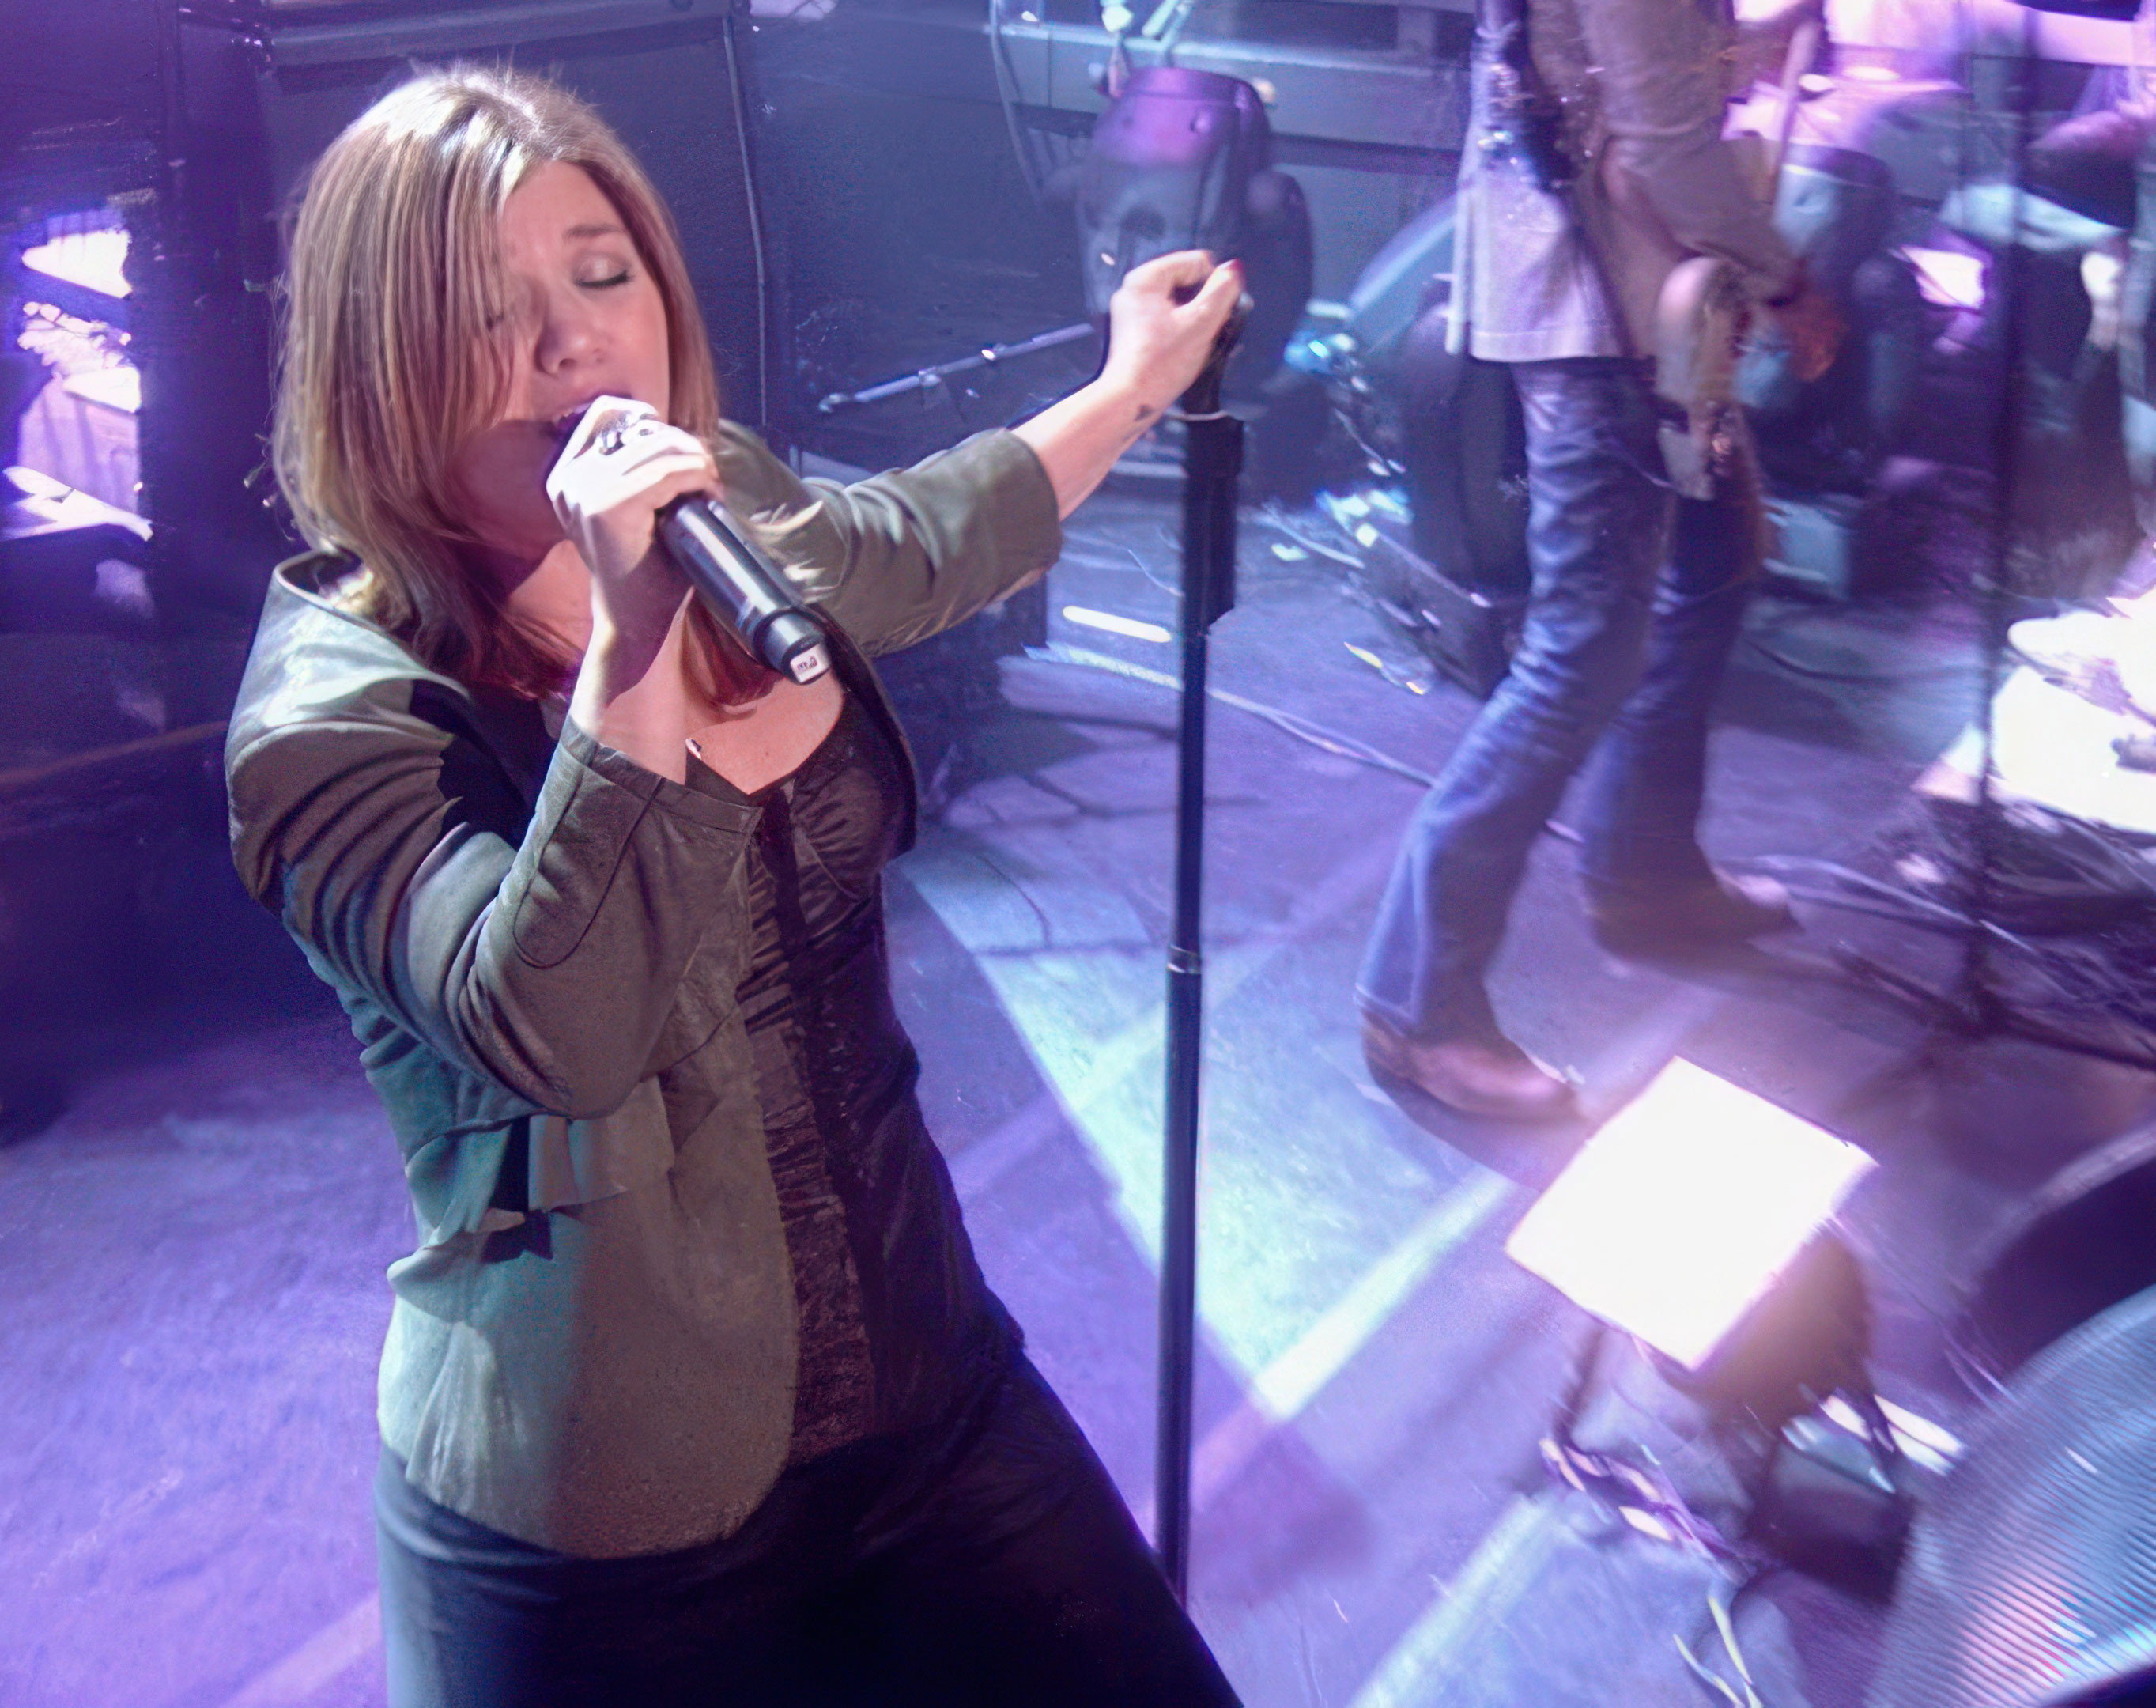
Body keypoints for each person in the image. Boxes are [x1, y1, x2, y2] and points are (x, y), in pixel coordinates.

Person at [226, 65, 1247, 1708]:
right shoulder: (335, 721)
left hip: (924, 1382)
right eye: (487, 311)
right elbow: (557, 1027)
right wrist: (631, 646)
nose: (573, 343)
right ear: (376, 360)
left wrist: (1131, 385)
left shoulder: (731, 504)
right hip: (609, 1521)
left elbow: (916, 542)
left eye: (602, 274)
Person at [1354, 0, 1845, 1120]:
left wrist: (1753, 43)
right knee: (1581, 657)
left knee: (1714, 564)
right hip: (1603, 318)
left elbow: (1623, 67)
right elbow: (1660, 152)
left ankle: (1645, 874)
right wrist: (1789, 283)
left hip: (1629, 299)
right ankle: (1416, 1007)